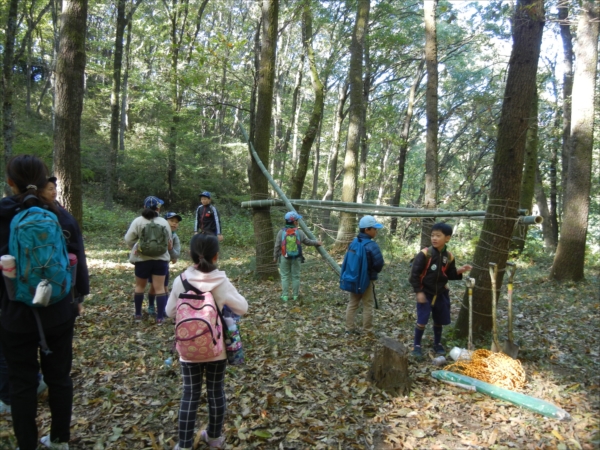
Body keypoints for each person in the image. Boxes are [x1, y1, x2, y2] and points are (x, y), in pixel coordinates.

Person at [0, 154, 89, 450]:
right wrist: (78, 298)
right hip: (59, 309)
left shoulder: (2, 214)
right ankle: (60, 439)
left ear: (10, 182)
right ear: (44, 181)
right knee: (59, 378)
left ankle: (27, 444)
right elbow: (78, 260)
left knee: (21, 383)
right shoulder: (60, 216)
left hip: (14, 313)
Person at [166, 234, 248, 450]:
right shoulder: (221, 281)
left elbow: (168, 312)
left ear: (190, 255)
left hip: (188, 350)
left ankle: (183, 445)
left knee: (189, 394)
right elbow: (243, 308)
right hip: (216, 349)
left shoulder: (181, 280)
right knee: (215, 391)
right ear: (216, 256)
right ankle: (213, 438)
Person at [408, 222, 472, 358]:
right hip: (425, 293)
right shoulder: (425, 254)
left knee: (439, 320)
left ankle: (437, 344)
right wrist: (419, 291)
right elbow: (414, 275)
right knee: (422, 320)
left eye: (438, 236)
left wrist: (460, 270)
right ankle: (417, 345)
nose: (434, 238)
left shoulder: (448, 257)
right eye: (432, 235)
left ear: (447, 238)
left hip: (441, 293)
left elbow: (449, 274)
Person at [124, 196, 173, 324]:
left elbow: (128, 239)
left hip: (142, 259)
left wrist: (138, 247)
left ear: (144, 207)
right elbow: (169, 244)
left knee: (140, 286)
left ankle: (138, 315)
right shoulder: (163, 222)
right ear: (158, 208)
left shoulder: (138, 221)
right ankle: (160, 317)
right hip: (161, 260)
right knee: (160, 288)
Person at [344, 215, 385, 335]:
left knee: (352, 304)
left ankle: (349, 329)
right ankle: (367, 331)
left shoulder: (354, 242)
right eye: (374, 228)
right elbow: (379, 264)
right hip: (366, 280)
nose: (376, 231)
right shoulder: (372, 245)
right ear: (367, 230)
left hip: (353, 279)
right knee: (368, 305)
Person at [273, 212, 322, 302]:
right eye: (297, 220)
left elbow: (277, 245)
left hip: (284, 257)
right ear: (295, 222)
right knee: (295, 276)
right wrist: (316, 242)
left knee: (285, 276)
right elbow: (307, 242)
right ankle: (295, 296)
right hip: (297, 257)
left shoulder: (281, 232)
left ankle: (285, 296)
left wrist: (275, 257)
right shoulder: (299, 232)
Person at [146, 212, 182, 316]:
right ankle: (151, 306)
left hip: (164, 264)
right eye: (171, 221)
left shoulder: (175, 237)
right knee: (153, 286)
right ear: (164, 221)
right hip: (153, 263)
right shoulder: (156, 233)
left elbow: (176, 255)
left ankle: (165, 308)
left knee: (165, 287)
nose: (174, 224)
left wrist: (170, 249)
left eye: (176, 222)